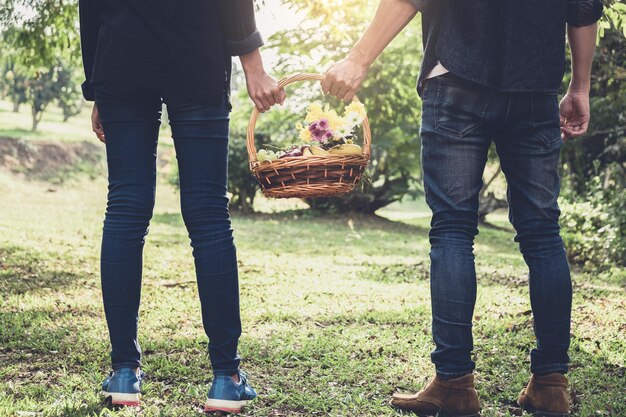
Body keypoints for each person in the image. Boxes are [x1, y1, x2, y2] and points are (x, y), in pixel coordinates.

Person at [323, 0, 602, 415]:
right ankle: (551, 384)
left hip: (456, 75)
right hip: (535, 86)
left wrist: (358, 58)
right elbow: (583, 6)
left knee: (453, 229)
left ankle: (454, 382)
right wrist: (580, 86)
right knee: (543, 233)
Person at [79, 0, 285, 412]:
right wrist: (253, 63)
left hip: (122, 57)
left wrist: (96, 84)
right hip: (196, 51)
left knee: (124, 209)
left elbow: (91, 7)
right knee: (209, 214)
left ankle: (124, 372)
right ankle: (226, 378)